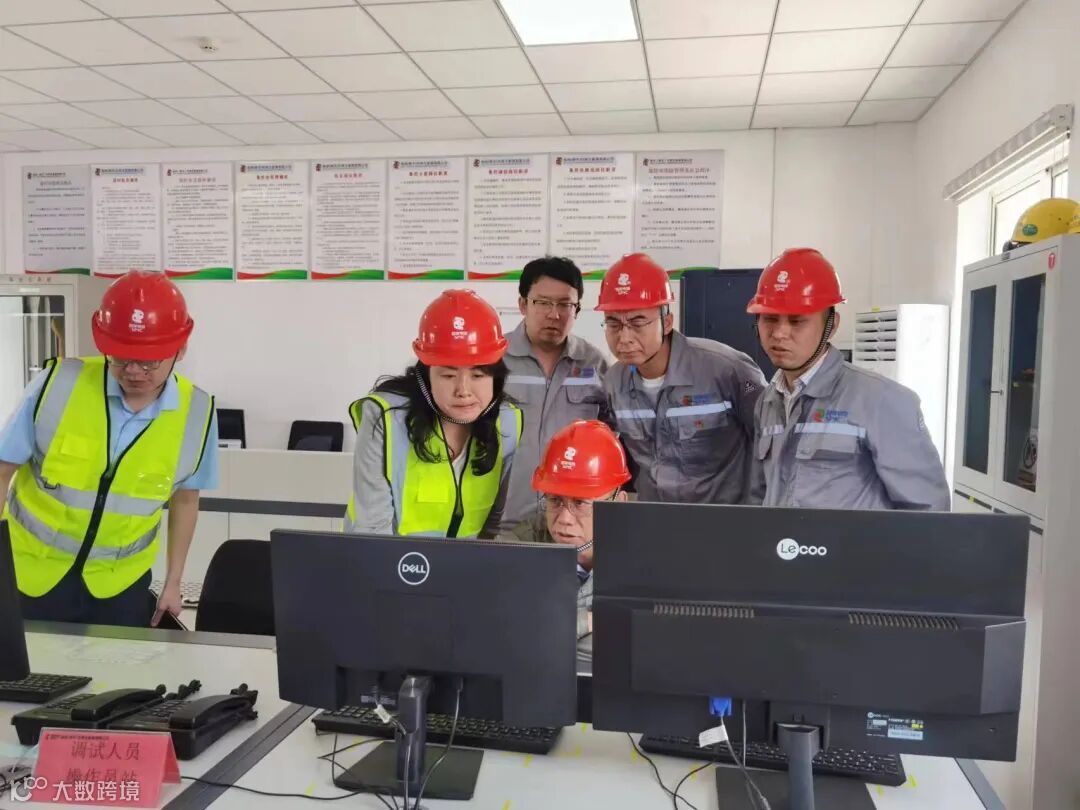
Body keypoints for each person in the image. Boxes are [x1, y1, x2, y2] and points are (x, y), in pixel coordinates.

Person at [0, 271, 219, 627]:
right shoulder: (56, 386)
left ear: (180, 349)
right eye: (120, 358)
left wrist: (174, 581)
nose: (133, 372)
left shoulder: (198, 412)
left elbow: (185, 500)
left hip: (118, 586)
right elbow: (3, 470)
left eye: (148, 361)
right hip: (30, 575)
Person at [748, 247, 950, 510]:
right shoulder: (768, 401)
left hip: (850, 541)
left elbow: (928, 511)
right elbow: (759, 496)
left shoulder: (882, 401)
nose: (779, 333)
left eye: (797, 321)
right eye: (770, 319)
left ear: (831, 326)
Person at [345, 289, 523, 539]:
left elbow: (493, 524)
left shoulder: (508, 421)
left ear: (496, 375)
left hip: (466, 560)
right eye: (448, 375)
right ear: (427, 376)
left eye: (478, 375)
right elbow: (371, 530)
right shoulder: (385, 418)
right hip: (388, 557)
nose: (463, 391)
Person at [599, 253, 766, 504]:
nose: (624, 338)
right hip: (655, 521)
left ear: (667, 322)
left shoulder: (727, 370)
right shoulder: (614, 383)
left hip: (725, 520)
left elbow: (772, 444)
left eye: (637, 323)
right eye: (613, 324)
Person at [504, 420, 630, 658]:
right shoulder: (519, 545)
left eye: (580, 503)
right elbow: (503, 627)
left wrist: (552, 626)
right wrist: (591, 620)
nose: (564, 519)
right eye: (555, 500)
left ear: (619, 504)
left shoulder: (643, 559)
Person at [502, 256, 610, 528]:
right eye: (543, 302)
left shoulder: (594, 364)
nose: (554, 314)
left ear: (577, 310)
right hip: (502, 521)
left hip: (569, 522)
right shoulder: (494, 360)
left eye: (565, 304)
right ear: (523, 304)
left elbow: (611, 440)